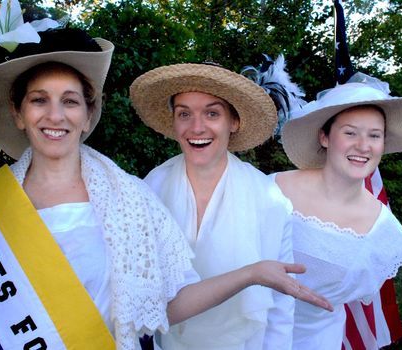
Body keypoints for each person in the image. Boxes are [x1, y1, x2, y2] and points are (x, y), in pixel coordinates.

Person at [0, 5, 331, 349]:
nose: (55, 115)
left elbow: (169, 301)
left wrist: (251, 274)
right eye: (39, 100)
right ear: (18, 113)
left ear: (88, 114)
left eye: (69, 101)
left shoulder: (130, 199)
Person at [130, 61, 318, 349]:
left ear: (234, 121)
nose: (196, 127)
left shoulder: (268, 199)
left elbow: (280, 304)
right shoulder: (150, 188)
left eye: (212, 113)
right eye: (184, 113)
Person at [273, 73, 402, 349]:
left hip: (315, 341)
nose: (363, 146)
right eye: (350, 133)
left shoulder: (385, 232)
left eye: (374, 135)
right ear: (325, 137)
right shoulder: (274, 189)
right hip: (245, 332)